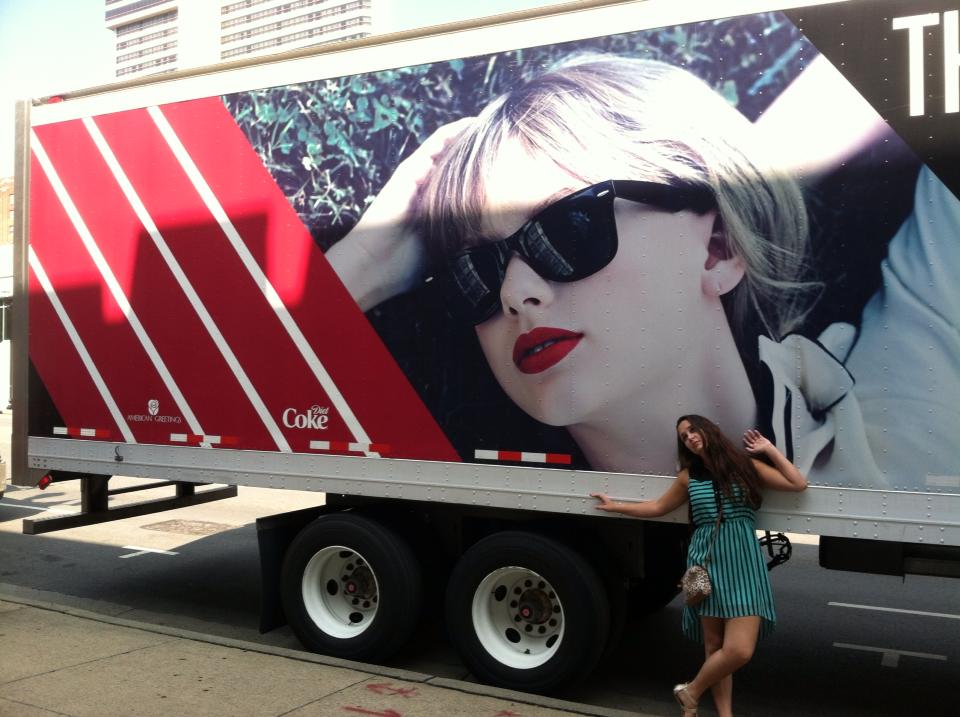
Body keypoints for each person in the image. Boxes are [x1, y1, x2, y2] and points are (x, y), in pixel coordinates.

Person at [326, 52, 960, 490]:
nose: (515, 294)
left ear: (716, 251)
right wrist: (362, 267)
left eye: (570, 228)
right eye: (475, 270)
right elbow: (265, 388)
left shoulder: (901, 424)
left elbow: (935, 52)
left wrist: (746, 185)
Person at [591, 415, 808, 717]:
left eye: (693, 430)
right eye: (683, 436)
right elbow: (658, 507)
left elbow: (797, 483)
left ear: (708, 430)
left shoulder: (745, 465)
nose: (690, 437)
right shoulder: (688, 476)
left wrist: (769, 449)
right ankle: (722, 713)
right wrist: (616, 506)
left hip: (744, 562)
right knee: (714, 645)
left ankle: (691, 691)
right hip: (706, 563)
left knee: (740, 650)